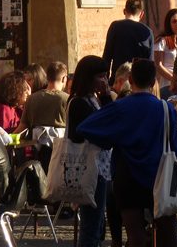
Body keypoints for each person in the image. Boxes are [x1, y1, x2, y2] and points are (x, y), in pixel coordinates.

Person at [78, 58, 177, 247]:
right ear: (153, 82)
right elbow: (175, 145)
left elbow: (85, 127)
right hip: (160, 176)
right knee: (169, 236)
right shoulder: (166, 109)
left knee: (135, 237)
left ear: (131, 80)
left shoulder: (120, 107)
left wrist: (111, 139)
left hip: (127, 176)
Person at [66, 56, 113, 247]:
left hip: (101, 167)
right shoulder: (79, 102)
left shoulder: (94, 99)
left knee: (98, 223)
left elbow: (111, 120)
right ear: (88, 77)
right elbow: (82, 134)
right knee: (91, 225)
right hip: (88, 167)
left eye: (106, 76)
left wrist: (106, 97)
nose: (104, 81)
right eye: (100, 76)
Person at [101, 0, 154, 79]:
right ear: (141, 14)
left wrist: (105, 79)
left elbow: (107, 56)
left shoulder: (115, 26)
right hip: (139, 81)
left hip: (118, 80)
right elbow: (150, 62)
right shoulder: (148, 32)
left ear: (124, 11)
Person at [17, 61, 69, 135]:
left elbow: (22, 127)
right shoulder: (67, 99)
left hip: (36, 141)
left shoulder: (31, 99)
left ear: (47, 77)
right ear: (64, 78)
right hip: (60, 141)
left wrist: (7, 139)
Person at [155, 8, 177, 99]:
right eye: (174, 21)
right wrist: (174, 80)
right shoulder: (162, 41)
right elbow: (159, 65)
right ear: (169, 24)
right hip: (168, 86)